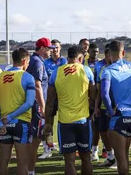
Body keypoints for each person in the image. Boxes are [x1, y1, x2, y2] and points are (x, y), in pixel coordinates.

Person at [44, 45, 96, 175]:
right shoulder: (87, 71)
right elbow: (94, 96)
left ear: (68, 58)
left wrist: (48, 123)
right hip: (83, 121)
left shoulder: (57, 72)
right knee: (86, 158)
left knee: (69, 160)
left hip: (65, 122)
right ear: (79, 57)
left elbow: (49, 102)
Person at [101, 40, 131, 175]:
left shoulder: (108, 71)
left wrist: (110, 112)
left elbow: (104, 95)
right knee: (125, 156)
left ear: (109, 54)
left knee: (121, 158)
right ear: (123, 52)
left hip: (117, 118)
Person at [0, 48, 35, 175]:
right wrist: (11, 117)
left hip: (3, 124)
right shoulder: (28, 77)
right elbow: (29, 103)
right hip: (21, 124)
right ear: (24, 61)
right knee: (22, 162)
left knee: (3, 161)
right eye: (29, 62)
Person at [26, 37, 56, 174]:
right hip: (36, 106)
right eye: (49, 48)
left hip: (32, 105)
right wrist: (43, 107)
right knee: (35, 141)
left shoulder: (35, 61)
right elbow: (37, 86)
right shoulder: (38, 62)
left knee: (34, 139)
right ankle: (30, 171)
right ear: (42, 48)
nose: (51, 51)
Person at [40, 39, 67, 158]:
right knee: (48, 122)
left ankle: (65, 147)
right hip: (49, 97)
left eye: (57, 47)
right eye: (53, 47)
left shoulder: (65, 61)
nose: (55, 49)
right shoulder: (46, 62)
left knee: (64, 122)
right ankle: (48, 148)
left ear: (60, 49)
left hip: (62, 97)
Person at [94, 44, 117, 168]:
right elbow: (99, 91)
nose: (109, 57)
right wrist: (97, 107)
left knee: (113, 134)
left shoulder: (118, 70)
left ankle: (118, 158)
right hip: (103, 107)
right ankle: (110, 157)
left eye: (111, 54)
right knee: (102, 132)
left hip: (115, 107)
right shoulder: (103, 70)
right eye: (107, 55)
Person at [83, 43, 101, 161]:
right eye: (93, 51)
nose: (95, 54)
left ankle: (95, 150)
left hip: (97, 97)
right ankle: (85, 148)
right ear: (88, 51)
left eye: (97, 51)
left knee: (97, 126)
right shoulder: (83, 63)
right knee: (85, 125)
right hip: (85, 98)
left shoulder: (100, 64)